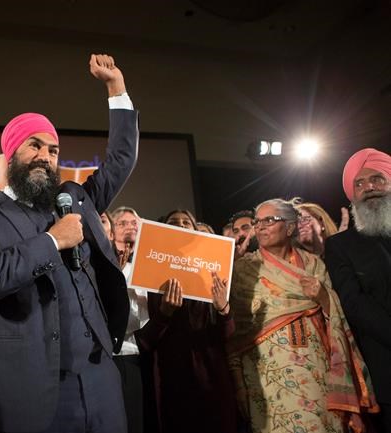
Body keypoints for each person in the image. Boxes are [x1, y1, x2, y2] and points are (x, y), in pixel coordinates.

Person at [0, 53, 137, 433]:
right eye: (34, 146)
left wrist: (116, 88)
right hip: (34, 391)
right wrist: (52, 241)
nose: (45, 157)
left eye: (53, 150)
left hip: (101, 379)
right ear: (11, 154)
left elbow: (120, 159)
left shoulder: (75, 199)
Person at [228, 198, 378, 433]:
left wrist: (324, 297)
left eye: (269, 220)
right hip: (268, 376)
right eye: (257, 222)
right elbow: (235, 333)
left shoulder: (314, 265)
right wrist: (238, 383)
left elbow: (338, 316)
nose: (261, 226)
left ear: (289, 227)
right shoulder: (244, 270)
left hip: (317, 370)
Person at [136, 209, 236, 433]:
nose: (180, 225)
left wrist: (224, 308)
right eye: (173, 222)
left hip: (210, 376)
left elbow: (227, 335)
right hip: (171, 378)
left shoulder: (213, 277)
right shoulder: (150, 278)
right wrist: (165, 312)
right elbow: (145, 341)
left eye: (186, 222)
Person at [325, 147, 391, 433]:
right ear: (352, 194)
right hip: (384, 369)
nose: (369, 187)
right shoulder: (340, 246)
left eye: (377, 179)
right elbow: (354, 303)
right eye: (360, 183)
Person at [109, 206, 151, 433]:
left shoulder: (147, 266)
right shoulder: (101, 266)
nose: (129, 227)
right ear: (111, 231)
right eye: (122, 223)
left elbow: (144, 319)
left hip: (135, 357)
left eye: (134, 223)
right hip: (110, 357)